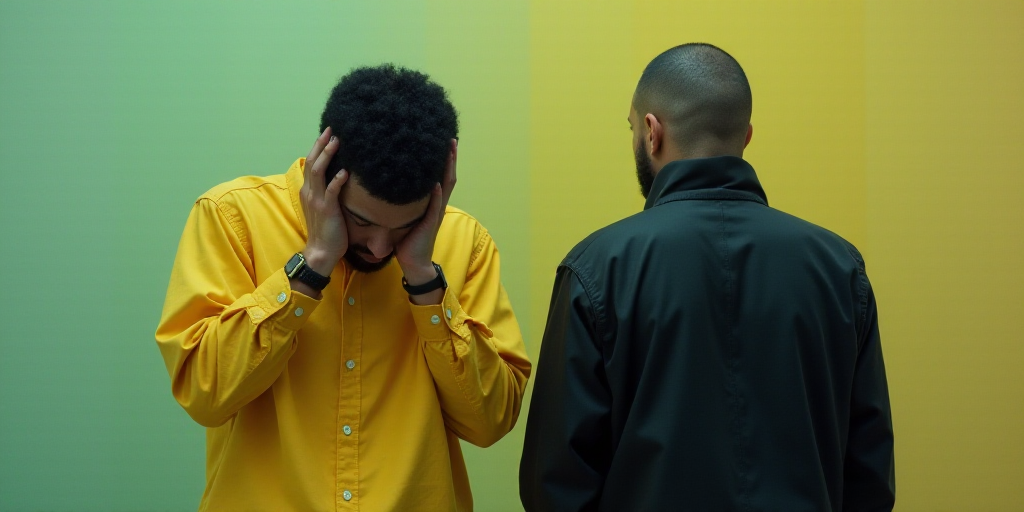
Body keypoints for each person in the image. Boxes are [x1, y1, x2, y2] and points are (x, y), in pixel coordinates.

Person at [519, 43, 894, 511]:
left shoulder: (597, 267)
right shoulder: (839, 269)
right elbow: (869, 477)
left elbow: (556, 485)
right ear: (746, 136)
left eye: (633, 128)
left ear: (652, 133)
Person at [156, 64, 531, 512]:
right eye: (361, 221)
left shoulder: (466, 244)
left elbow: (490, 422)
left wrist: (424, 280)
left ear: (440, 191)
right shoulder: (230, 218)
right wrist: (311, 266)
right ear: (324, 169)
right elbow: (204, 393)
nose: (378, 247)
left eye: (404, 226)